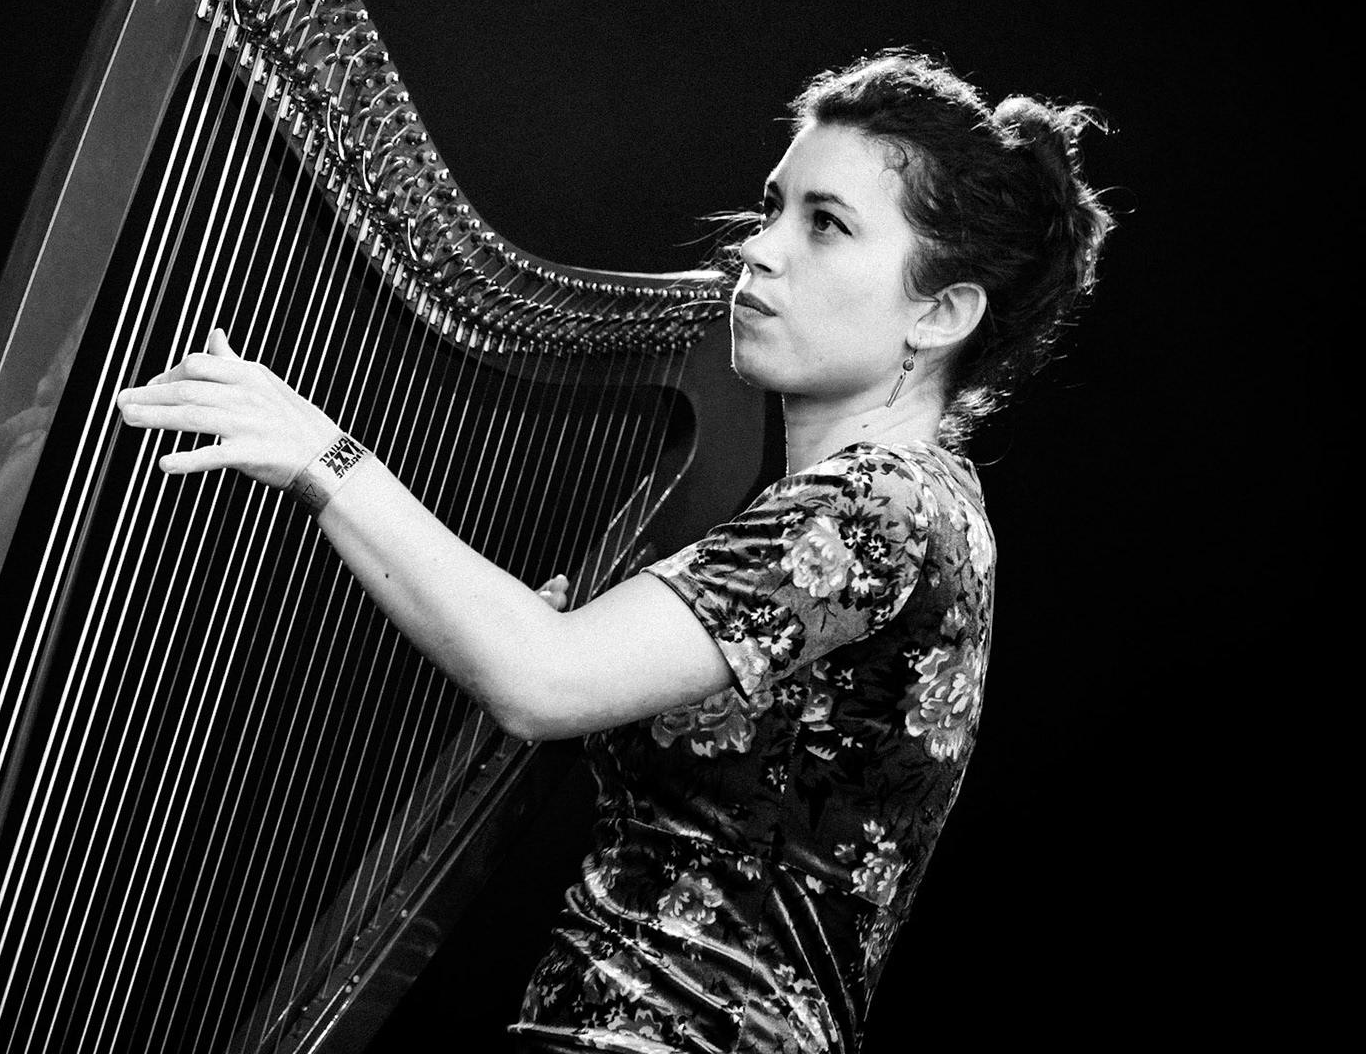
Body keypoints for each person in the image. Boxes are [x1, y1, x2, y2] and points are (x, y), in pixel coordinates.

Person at [115, 51, 1113, 1053]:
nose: (760, 252)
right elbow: (562, 659)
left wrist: (322, 454)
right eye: (773, 208)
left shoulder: (882, 503)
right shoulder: (897, 503)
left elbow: (541, 679)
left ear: (941, 312)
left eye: (827, 225)